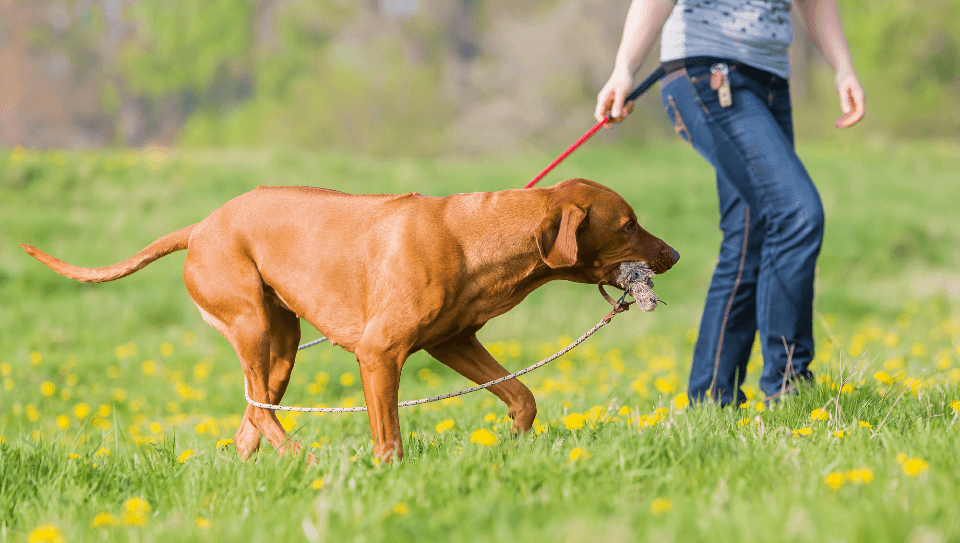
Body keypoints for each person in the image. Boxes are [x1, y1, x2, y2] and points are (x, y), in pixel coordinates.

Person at [595, 0, 865, 406]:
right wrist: (624, 67)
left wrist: (842, 65)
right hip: (709, 72)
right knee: (796, 214)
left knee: (749, 239)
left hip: (770, 79)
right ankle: (788, 385)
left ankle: (711, 401)